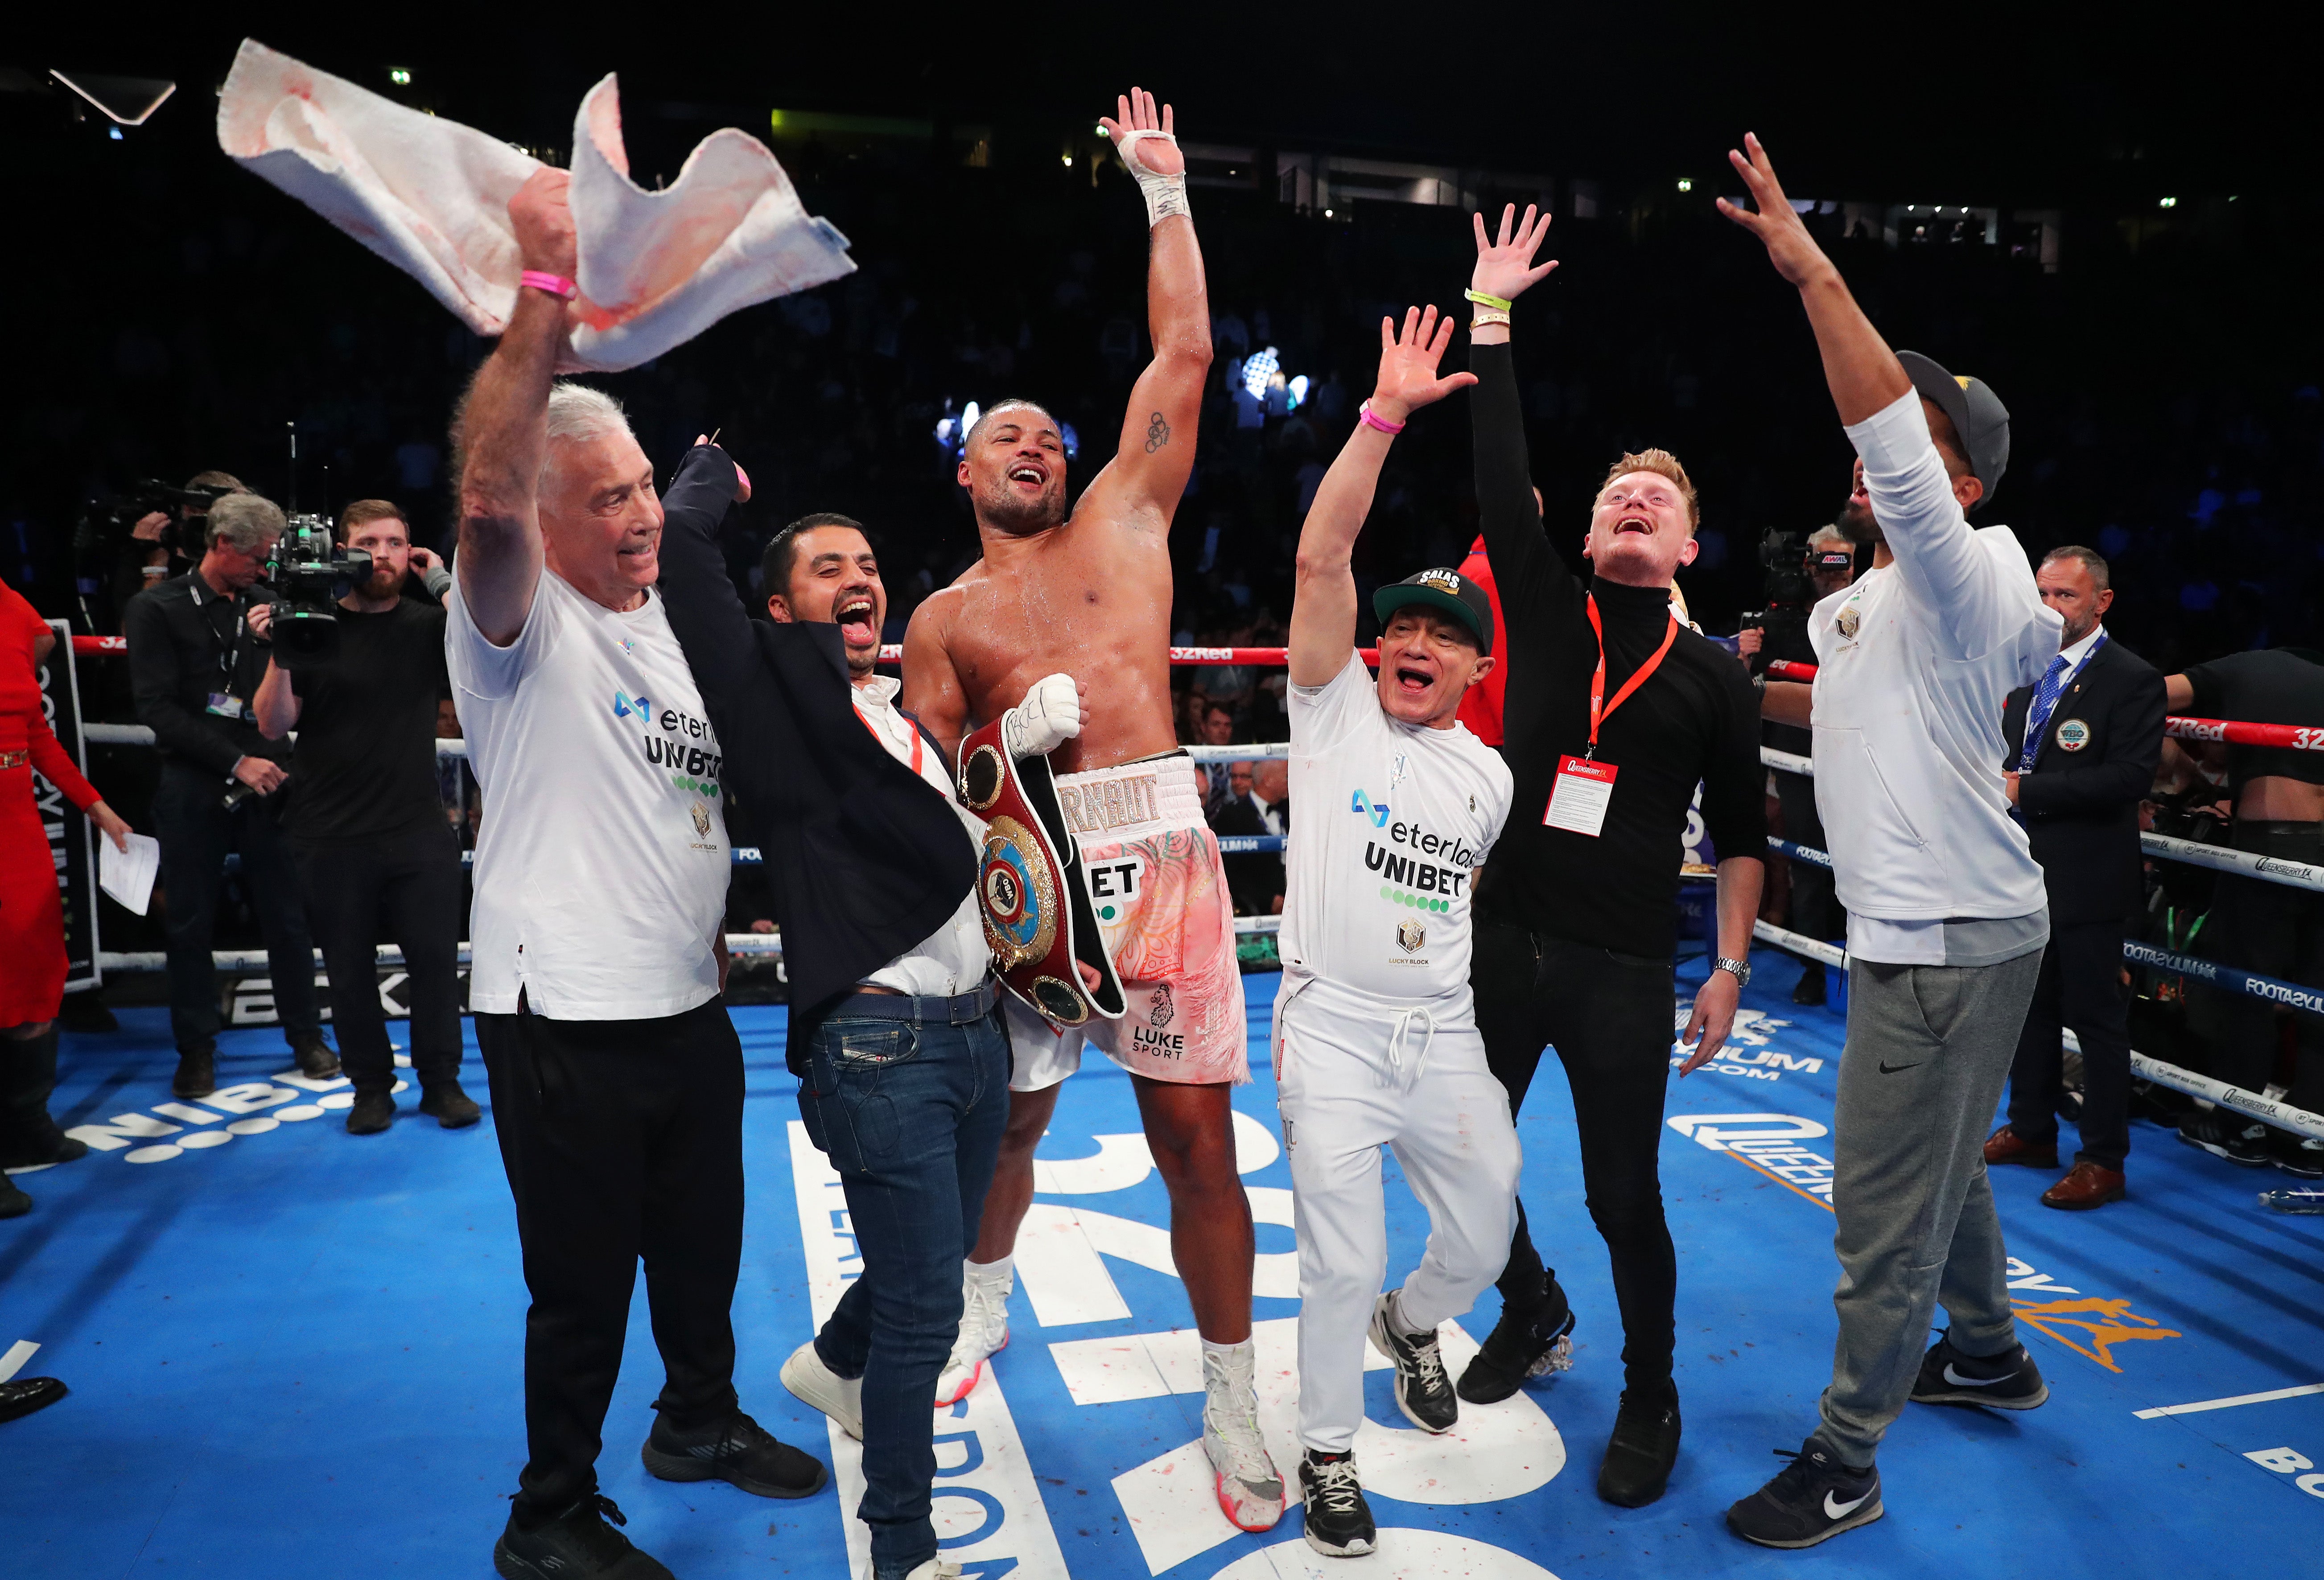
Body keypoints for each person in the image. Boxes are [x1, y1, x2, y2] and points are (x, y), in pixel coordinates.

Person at [902, 87, 1284, 1533]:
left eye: (1047, 432)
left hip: (1165, 852)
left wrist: (1167, 191)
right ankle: (979, 1310)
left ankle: (1235, 1398)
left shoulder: (1126, 520)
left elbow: (1183, 348)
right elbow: (928, 790)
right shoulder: (941, 617)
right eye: (1004, 434)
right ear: (963, 467)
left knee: (1200, 1146)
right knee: (1010, 1132)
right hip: (1028, 876)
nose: (1033, 444)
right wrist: (1011, 746)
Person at [446, 167, 823, 1580]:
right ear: (544, 521)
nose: (636, 520)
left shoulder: (661, 621)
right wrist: (546, 309)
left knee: (702, 1243)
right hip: (563, 1015)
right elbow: (490, 493)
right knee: (582, 1282)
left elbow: (680, 535)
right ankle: (545, 1512)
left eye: (637, 489)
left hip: (684, 999)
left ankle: (700, 1418)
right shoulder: (512, 626)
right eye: (601, 501)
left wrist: (690, 496)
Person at [1720, 134, 2060, 1548]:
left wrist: (1810, 270)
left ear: (1959, 478)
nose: (1881, 447)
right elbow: (1826, 658)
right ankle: (1987, 1348)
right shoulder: (1860, 606)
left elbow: (1898, 470)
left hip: (1950, 935)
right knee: (1941, 1163)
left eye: (1915, 433)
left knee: (1881, 1202)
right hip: (1914, 929)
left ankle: (1849, 1454)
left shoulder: (1978, 564)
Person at [1456, 209, 1767, 1510]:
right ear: (1583, 534)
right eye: (1614, 494)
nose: (1634, 500)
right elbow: (1495, 465)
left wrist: (1732, 964)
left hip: (1629, 959)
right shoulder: (1544, 597)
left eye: (1661, 499)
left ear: (1689, 545)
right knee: (1459, 1162)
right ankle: (1531, 1303)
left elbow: (1746, 836)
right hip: (1501, 933)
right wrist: (1492, 318)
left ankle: (1652, 1385)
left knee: (1622, 1187)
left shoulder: (1711, 674)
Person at [654, 487, 1016, 1580]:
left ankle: (833, 1366)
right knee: (925, 1305)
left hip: (970, 1033)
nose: (860, 577)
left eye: (868, 562)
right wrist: (709, 478)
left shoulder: (895, 714)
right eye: (828, 568)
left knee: (938, 1257)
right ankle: (903, 1550)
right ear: (778, 612)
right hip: (881, 1044)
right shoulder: (774, 704)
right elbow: (682, 552)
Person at [1275, 304, 1519, 1559]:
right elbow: (1323, 562)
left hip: (1444, 1032)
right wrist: (1381, 417)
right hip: (1331, 1030)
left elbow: (1449, 905)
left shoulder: (1488, 779)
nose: (1416, 643)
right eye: (1401, 631)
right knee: (1336, 1251)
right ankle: (1325, 1454)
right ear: (1376, 652)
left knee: (1484, 1228)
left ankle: (1413, 1324)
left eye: (1444, 638)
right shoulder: (1335, 720)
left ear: (1476, 670)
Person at [251, 501, 476, 1136]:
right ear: (341, 551)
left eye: (397, 542)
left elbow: (485, 638)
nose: (382, 554)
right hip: (327, 832)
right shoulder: (313, 626)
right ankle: (371, 1088)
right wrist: (287, 638)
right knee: (348, 974)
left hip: (415, 827)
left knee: (435, 967)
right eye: (368, 542)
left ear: (412, 552)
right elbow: (272, 724)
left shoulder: (427, 624)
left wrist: (440, 580)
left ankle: (442, 1082)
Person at [124, 492, 338, 1098]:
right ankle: (196, 1050)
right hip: (193, 783)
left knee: (288, 919)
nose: (265, 569)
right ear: (222, 545)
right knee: (190, 922)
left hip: (268, 779)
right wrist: (235, 761)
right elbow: (157, 708)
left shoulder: (269, 604)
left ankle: (307, 1037)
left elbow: (282, 701)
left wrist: (280, 652)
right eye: (257, 557)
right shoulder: (155, 609)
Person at [1984, 547, 2165, 1208]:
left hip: (2088, 877)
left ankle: (2103, 1160)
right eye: (2043, 594)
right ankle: (2032, 1129)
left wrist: (2023, 791)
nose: (2051, 608)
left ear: (2101, 602)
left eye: (2065, 596)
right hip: (2017, 870)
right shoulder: (2025, 669)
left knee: (2096, 1024)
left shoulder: (2132, 678)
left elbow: (2129, 778)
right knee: (2026, 1013)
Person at [2163, 647, 2324, 1176]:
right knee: (2317, 995)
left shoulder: (2251, 668)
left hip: (2272, 844)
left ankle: (2242, 1127)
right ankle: (2309, 1135)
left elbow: (2136, 697)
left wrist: (2185, 770)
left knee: (2243, 989)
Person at [2, 575, 132, 1219]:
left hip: (18, 822)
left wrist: (97, 808)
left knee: (37, 972)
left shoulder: (9, 607)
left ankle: (28, 1124)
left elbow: (38, 733)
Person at [1748, 524, 1855, 1004]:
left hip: (1862, 759)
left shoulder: (1874, 607)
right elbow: (1754, 688)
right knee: (1808, 867)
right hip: (1797, 758)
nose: (1831, 573)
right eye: (1822, 561)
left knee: (1866, 864)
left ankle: (1872, 971)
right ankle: (1812, 968)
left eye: (1841, 562)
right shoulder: (1787, 619)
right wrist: (1747, 654)